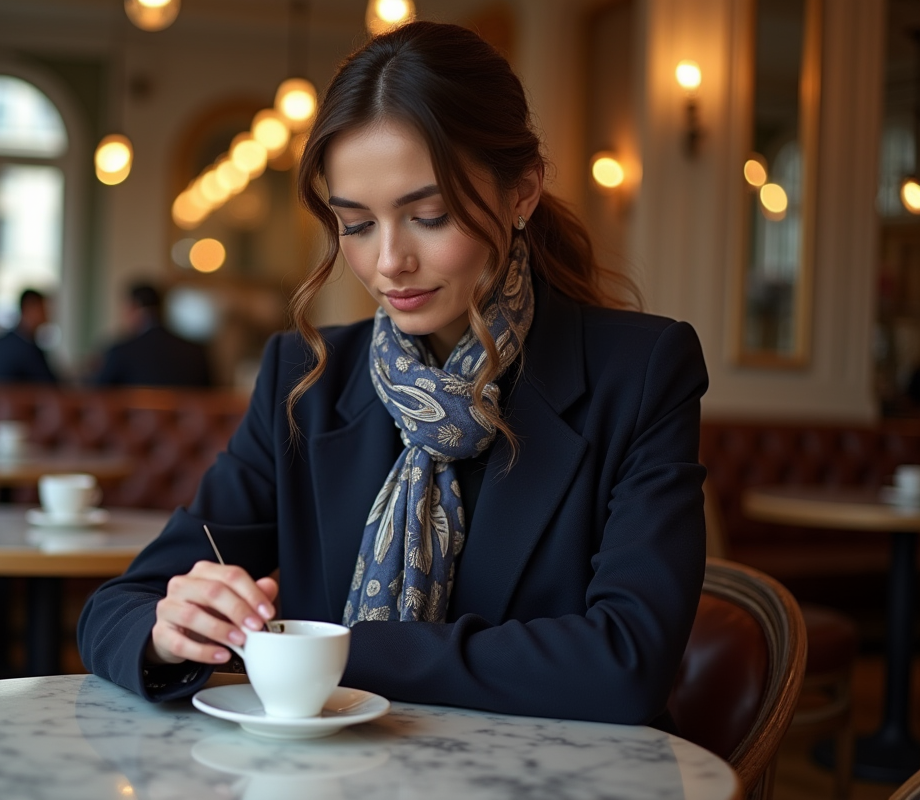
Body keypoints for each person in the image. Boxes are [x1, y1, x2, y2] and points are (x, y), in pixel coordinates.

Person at [78, 21, 708, 727]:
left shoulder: (640, 373)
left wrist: (336, 652)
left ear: (522, 192)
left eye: (429, 216)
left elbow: (627, 665)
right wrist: (172, 631)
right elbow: (117, 608)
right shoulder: (305, 382)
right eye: (356, 224)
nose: (388, 263)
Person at [94, 283, 211, 388]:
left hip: (136, 412)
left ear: (134, 307)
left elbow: (96, 393)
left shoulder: (121, 352)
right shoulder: (196, 352)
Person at [0, 289, 58, 384]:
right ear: (29, 308)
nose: (47, 315)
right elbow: (50, 385)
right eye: (44, 309)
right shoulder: (28, 350)